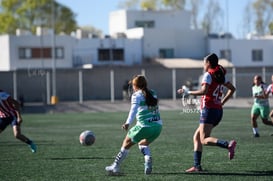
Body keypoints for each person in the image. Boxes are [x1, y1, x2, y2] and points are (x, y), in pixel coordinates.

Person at [177, 53, 236, 173]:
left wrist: (187, 92)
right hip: (218, 111)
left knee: (204, 139)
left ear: (208, 63)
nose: (203, 65)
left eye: (204, 62)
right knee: (197, 137)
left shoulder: (208, 75)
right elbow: (232, 89)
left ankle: (227, 144)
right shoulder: (219, 75)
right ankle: (197, 166)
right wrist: (221, 102)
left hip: (209, 110)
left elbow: (204, 91)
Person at [105, 75, 162, 175]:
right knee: (143, 143)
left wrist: (127, 123)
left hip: (144, 126)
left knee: (126, 143)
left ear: (135, 85)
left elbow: (133, 110)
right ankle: (147, 158)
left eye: (133, 85)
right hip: (158, 127)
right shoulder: (153, 93)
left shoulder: (136, 95)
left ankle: (115, 166)